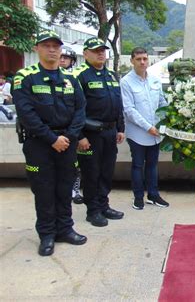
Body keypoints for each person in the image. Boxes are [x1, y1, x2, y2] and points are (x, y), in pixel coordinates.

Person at [12, 30, 87, 256]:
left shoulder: (70, 79)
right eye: (47, 46)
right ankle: (46, 234)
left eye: (56, 46)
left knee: (65, 189)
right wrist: (52, 139)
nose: (52, 50)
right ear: (37, 48)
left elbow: (80, 110)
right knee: (44, 190)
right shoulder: (25, 77)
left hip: (66, 143)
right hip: (39, 144)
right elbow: (26, 114)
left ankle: (65, 229)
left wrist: (69, 137)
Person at [74, 37, 125, 227]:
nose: (101, 53)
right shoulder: (80, 75)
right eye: (96, 51)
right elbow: (74, 108)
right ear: (86, 54)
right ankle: (93, 210)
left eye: (103, 50)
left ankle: (104, 205)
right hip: (90, 135)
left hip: (110, 132)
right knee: (91, 172)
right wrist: (80, 136)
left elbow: (118, 104)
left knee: (106, 172)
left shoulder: (111, 75)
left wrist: (120, 128)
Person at [120, 47, 169, 210]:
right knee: (138, 165)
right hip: (138, 133)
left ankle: (153, 195)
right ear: (132, 61)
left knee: (153, 165)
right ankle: (138, 197)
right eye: (139, 59)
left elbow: (162, 103)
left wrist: (169, 117)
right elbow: (129, 110)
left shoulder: (155, 80)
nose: (142, 62)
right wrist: (148, 127)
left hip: (156, 132)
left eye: (145, 59)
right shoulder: (126, 81)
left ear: (149, 60)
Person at [59, 46, 84, 205]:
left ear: (72, 61)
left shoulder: (76, 76)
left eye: (65, 58)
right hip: (55, 130)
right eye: (60, 57)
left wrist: (78, 133)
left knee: (75, 164)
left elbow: (81, 105)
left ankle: (75, 190)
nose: (62, 60)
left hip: (74, 130)